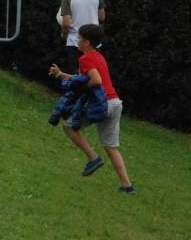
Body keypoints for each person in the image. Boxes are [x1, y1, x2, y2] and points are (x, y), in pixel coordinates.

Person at [49, 24, 135, 194]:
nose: (78, 41)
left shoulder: (85, 59)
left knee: (69, 126)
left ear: (86, 42)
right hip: (115, 103)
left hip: (102, 104)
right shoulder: (98, 57)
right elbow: (81, 78)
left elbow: (95, 81)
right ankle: (127, 186)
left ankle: (93, 158)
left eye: (80, 38)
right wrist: (61, 74)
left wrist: (82, 89)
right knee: (111, 147)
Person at [60, 0, 106, 73]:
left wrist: (64, 35)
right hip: (94, 43)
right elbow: (102, 17)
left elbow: (66, 23)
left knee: (76, 76)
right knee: (94, 76)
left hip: (75, 42)